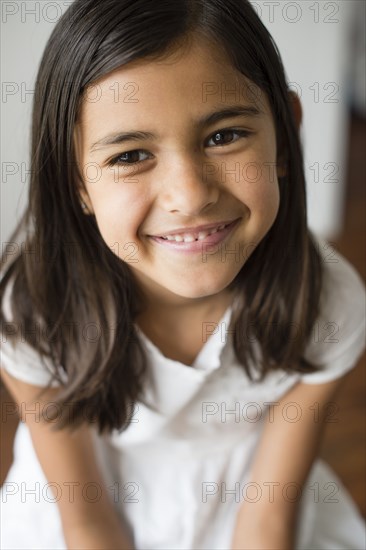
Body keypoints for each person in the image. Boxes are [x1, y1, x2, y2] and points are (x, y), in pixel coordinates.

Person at [0, 0, 365, 548]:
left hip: (247, 498)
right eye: (130, 156)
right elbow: (87, 522)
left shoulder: (328, 305)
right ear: (75, 181)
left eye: (224, 136)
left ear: (285, 134)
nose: (190, 195)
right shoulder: (34, 312)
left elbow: (267, 521)